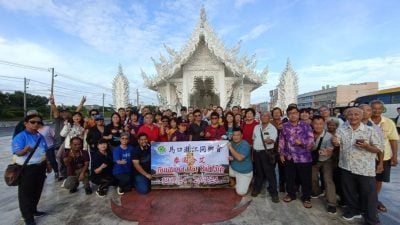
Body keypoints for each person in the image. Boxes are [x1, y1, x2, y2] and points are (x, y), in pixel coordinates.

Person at [333, 107, 381, 224]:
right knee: (349, 192)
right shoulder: (342, 129)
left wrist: (367, 146)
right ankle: (353, 211)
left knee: (368, 195)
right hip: (346, 166)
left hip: (365, 169)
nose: (353, 117)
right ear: (347, 116)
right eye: (350, 115)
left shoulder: (370, 130)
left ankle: (371, 220)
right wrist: (334, 142)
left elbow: (378, 148)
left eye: (356, 114)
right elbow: (337, 141)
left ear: (362, 116)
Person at [12, 114, 52, 225]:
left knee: (37, 190)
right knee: (26, 194)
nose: (36, 124)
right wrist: (25, 150)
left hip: (40, 167)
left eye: (38, 122)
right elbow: (17, 152)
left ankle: (33, 210)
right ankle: (27, 218)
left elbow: (45, 151)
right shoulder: (21, 136)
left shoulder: (40, 136)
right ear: (26, 123)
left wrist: (48, 164)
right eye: (33, 122)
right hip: (27, 168)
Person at [279, 105, 314, 208]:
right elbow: (282, 140)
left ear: (298, 114)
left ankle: (306, 198)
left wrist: (301, 142)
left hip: (304, 158)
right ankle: (291, 194)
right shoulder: (285, 126)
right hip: (289, 156)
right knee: (289, 178)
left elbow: (311, 141)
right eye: (290, 114)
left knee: (305, 179)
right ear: (288, 115)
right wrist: (281, 153)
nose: (293, 115)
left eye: (294, 113)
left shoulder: (306, 125)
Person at [370, 100, 399, 213]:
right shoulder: (365, 122)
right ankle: (367, 200)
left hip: (385, 156)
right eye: (374, 108)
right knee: (367, 180)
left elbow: (393, 140)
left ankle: (375, 200)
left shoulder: (388, 122)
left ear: (383, 110)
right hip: (368, 157)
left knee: (379, 180)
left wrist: (395, 156)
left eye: (379, 108)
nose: (376, 111)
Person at [310, 116, 337, 214]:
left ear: (324, 124)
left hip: (326, 160)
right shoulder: (309, 134)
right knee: (312, 177)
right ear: (312, 124)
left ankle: (332, 203)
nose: (318, 126)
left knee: (327, 179)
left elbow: (330, 151)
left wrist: (327, 152)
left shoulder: (329, 136)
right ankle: (317, 191)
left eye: (320, 124)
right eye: (316, 124)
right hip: (314, 160)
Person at [251, 112, 279, 202]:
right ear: (260, 117)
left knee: (270, 174)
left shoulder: (272, 128)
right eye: (262, 116)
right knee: (258, 172)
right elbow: (253, 139)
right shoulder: (256, 127)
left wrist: (269, 141)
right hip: (256, 153)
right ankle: (257, 189)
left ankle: (274, 193)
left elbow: (272, 140)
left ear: (269, 118)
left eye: (266, 116)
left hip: (266, 153)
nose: (264, 117)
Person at [227, 128, 253, 197]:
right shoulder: (232, 143)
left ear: (242, 135)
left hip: (244, 172)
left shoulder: (245, 144)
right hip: (233, 169)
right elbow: (232, 155)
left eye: (238, 135)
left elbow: (239, 158)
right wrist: (231, 157)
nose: (235, 137)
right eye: (234, 135)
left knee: (241, 193)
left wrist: (230, 148)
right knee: (219, 169)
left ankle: (249, 180)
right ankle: (233, 180)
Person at [270, 107, 285, 193]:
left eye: (278, 112)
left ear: (281, 113)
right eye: (274, 112)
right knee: (271, 168)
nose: (276, 114)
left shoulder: (285, 122)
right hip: (272, 149)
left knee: (282, 169)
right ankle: (272, 185)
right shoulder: (270, 123)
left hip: (282, 150)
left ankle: (282, 184)